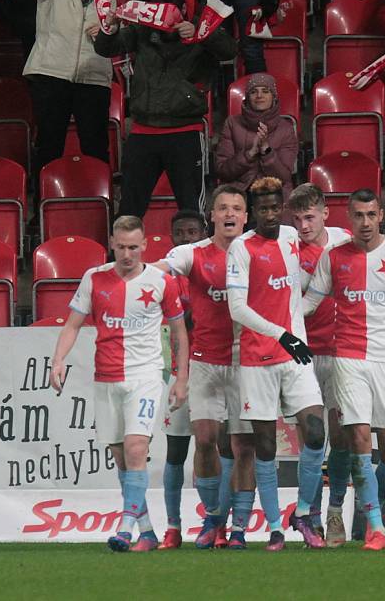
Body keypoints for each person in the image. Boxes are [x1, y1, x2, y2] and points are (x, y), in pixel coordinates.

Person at [50, 215, 189, 552]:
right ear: (112, 244)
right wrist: (58, 359)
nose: (128, 254)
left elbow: (180, 333)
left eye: (134, 247)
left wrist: (180, 377)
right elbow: (72, 325)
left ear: (144, 245)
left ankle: (124, 528)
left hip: (145, 376)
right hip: (106, 377)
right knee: (122, 459)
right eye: (122, 247)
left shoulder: (161, 282)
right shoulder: (94, 279)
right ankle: (146, 531)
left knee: (136, 448)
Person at [303, 188, 385, 552]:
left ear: (380, 217)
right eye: (358, 215)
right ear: (348, 217)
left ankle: (369, 498)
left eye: (371, 215)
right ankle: (374, 526)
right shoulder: (334, 256)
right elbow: (309, 302)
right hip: (348, 357)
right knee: (356, 436)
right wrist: (276, 319)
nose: (364, 222)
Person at [226, 176, 327, 550]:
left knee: (315, 432)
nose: (270, 214)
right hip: (257, 358)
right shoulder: (241, 248)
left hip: (294, 355)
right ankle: (274, 527)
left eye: (274, 207)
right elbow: (237, 308)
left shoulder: (289, 236)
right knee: (266, 446)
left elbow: (327, 236)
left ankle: (301, 511)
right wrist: (282, 333)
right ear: (253, 212)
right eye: (263, 208)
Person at [155, 188, 258, 550]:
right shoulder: (192, 253)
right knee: (204, 441)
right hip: (204, 362)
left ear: (246, 217)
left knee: (245, 446)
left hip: (247, 363)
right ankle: (213, 519)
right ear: (211, 216)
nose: (229, 214)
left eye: (237, 209)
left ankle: (240, 529)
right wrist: (131, 273)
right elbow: (163, 268)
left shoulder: (259, 253)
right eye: (222, 208)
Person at [94, 0, 237, 219]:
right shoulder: (142, 31)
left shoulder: (203, 27)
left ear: (182, 10)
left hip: (185, 131)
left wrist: (201, 34)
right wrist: (110, 27)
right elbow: (105, 48)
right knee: (129, 209)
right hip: (142, 131)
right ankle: (123, 254)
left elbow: (230, 50)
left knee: (192, 209)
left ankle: (198, 256)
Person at [287, 183, 352, 547]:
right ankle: (309, 512)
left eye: (309, 217)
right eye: (296, 219)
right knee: (312, 437)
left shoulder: (345, 240)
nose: (303, 225)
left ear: (326, 213)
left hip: (343, 350)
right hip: (306, 352)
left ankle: (336, 509)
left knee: (340, 438)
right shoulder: (289, 251)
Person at [23, 0, 113, 176]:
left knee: (96, 147)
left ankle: (101, 203)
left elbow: (117, 34)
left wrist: (110, 30)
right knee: (49, 146)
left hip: (93, 78)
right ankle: (41, 209)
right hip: (53, 76)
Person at [155, 209, 204, 550]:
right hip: (177, 375)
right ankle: (173, 526)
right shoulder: (162, 279)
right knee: (175, 452)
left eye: (192, 232)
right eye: (180, 233)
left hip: (216, 370)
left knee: (216, 448)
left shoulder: (218, 269)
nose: (186, 237)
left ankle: (217, 524)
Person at [215, 72, 298, 202]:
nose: (259, 96)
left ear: (274, 97)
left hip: (273, 194)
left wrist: (266, 150)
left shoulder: (286, 128)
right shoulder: (232, 123)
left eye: (265, 91)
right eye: (254, 92)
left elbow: (283, 177)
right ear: (247, 97)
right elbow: (223, 171)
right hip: (238, 193)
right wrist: (249, 154)